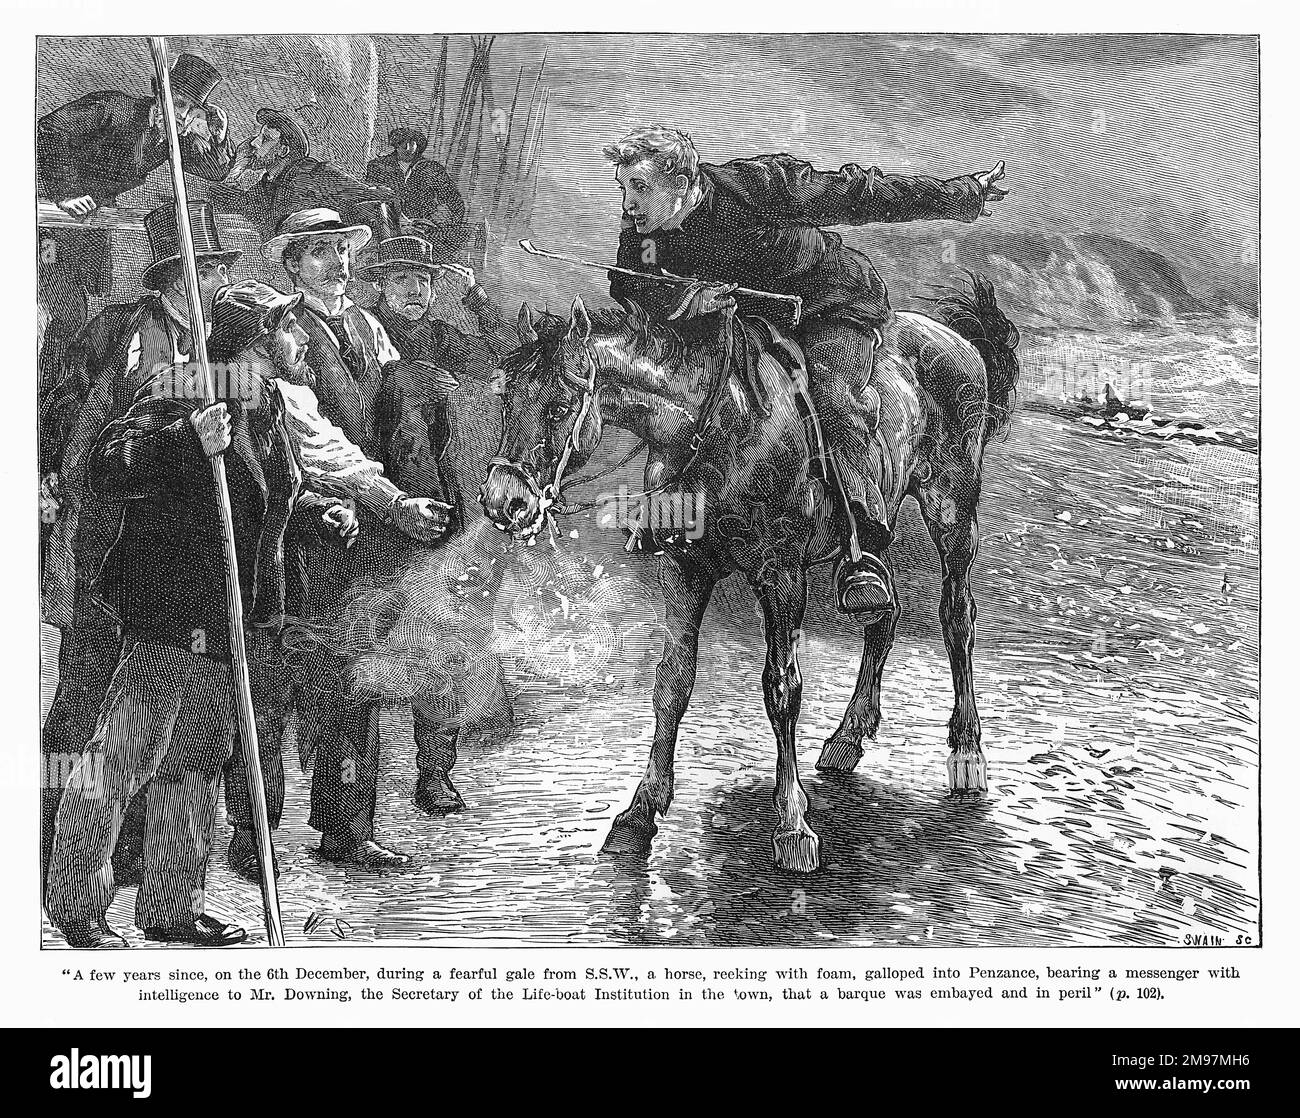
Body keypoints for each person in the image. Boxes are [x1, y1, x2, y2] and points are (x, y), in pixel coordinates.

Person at [44, 281, 354, 948]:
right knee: (122, 755)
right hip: (168, 608)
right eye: (290, 329)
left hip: (231, 615)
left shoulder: (268, 403)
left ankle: (168, 906)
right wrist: (185, 437)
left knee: (195, 764)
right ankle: (75, 902)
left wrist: (313, 512)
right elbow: (109, 460)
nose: (301, 342)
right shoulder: (185, 385)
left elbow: (254, 500)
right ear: (259, 338)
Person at [602, 125, 1007, 615]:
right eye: (624, 189)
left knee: (836, 400)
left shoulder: (755, 188)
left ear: (682, 179)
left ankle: (862, 549)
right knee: (693, 400)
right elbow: (631, 288)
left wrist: (961, 197)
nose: (628, 204)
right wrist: (685, 301)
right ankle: (673, 511)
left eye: (639, 188)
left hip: (831, 307)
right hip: (745, 320)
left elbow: (859, 193)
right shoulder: (646, 236)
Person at [39, 202, 240, 892]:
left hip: (167, 567)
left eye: (217, 267)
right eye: (205, 269)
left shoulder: (209, 342)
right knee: (88, 708)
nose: (214, 281)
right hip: (104, 550)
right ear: (173, 280)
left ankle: (141, 870)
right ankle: (47, 850)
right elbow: (104, 449)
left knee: (169, 731)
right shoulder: (143, 341)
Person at [267, 207, 455, 862]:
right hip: (324, 526)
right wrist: (393, 498)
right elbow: (313, 446)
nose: (336, 262)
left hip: (381, 527)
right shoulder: (285, 336)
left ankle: (350, 826)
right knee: (332, 675)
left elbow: (401, 419)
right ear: (294, 264)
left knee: (364, 675)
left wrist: (420, 499)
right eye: (318, 252)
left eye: (341, 249)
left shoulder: (369, 327)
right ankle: (312, 828)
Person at [37, 51, 234, 217]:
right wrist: (65, 193)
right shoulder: (113, 108)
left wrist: (220, 137)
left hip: (95, 212)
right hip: (50, 201)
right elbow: (50, 129)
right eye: (180, 104)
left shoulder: (174, 136)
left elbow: (214, 173)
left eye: (193, 112)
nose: (184, 116)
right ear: (160, 96)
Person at [210, 108, 396, 241]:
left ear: (283, 150)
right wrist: (237, 168)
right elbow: (229, 201)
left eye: (264, 139)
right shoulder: (267, 184)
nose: (253, 144)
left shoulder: (313, 174)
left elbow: (378, 195)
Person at [364, 128, 466, 255]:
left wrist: (436, 220)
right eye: (403, 143)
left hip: (424, 229)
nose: (407, 148)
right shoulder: (378, 166)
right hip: (388, 226)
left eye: (412, 143)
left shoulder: (432, 169)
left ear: (418, 146)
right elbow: (370, 197)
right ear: (396, 144)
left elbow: (454, 202)